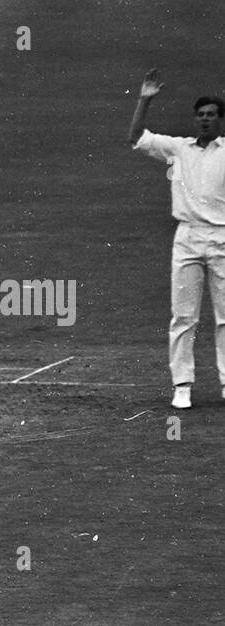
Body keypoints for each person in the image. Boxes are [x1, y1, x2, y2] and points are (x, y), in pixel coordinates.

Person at [128, 68, 225, 409]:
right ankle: (182, 384)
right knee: (183, 316)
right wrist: (144, 99)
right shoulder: (178, 149)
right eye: (200, 115)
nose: (204, 120)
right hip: (186, 239)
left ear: (220, 121)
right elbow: (136, 137)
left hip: (222, 240)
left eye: (211, 116)